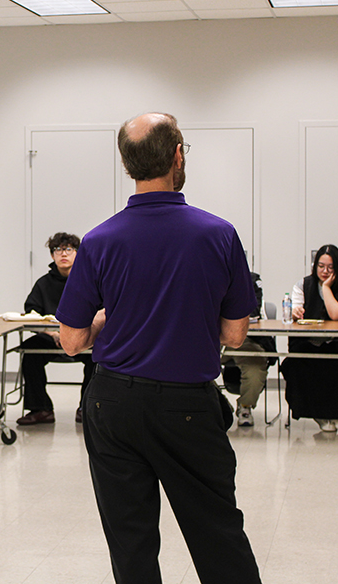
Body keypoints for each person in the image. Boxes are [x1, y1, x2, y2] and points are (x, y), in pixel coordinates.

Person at [56, 112, 262, 584]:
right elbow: (235, 334)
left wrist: (107, 319)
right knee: (218, 535)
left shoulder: (99, 240)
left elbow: (71, 341)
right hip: (187, 407)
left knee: (131, 546)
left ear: (127, 165)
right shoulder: (218, 234)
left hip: (112, 404)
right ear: (178, 156)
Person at [280, 244, 338, 434]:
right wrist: (295, 312)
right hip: (309, 342)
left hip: (337, 343)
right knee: (299, 364)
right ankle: (318, 415)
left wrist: (326, 288)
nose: (325, 271)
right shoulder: (302, 285)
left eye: (330, 267)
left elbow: (336, 315)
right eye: (321, 266)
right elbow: (295, 309)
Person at [16, 232, 93, 426]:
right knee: (29, 352)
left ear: (77, 253)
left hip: (83, 337)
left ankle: (87, 408)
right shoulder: (43, 283)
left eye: (68, 249)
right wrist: (52, 333)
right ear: (52, 255)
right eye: (58, 250)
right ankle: (41, 409)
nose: (63, 254)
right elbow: (32, 312)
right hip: (51, 338)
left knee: (98, 355)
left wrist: (76, 334)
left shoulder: (89, 280)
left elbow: (100, 311)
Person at [220, 272, 276, 427]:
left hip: (245, 338)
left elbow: (253, 310)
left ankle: (245, 406)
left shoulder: (252, 280)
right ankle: (219, 404)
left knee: (255, 367)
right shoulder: (210, 276)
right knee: (192, 365)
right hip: (213, 339)